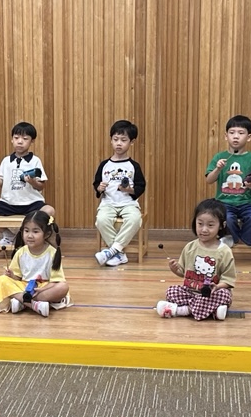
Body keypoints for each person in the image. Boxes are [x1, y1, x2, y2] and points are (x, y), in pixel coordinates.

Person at [157, 199, 236, 320]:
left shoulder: (224, 251)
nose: (204, 229)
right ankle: (212, 311)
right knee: (171, 291)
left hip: (212, 293)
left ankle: (182, 310)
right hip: (190, 291)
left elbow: (228, 280)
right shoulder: (190, 247)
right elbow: (183, 272)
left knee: (224, 295)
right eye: (200, 224)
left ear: (222, 225)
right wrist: (174, 269)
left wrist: (217, 286)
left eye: (210, 225)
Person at [0, 121, 52, 252]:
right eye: (16, 138)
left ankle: (32, 237)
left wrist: (32, 182)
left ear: (32, 141)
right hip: (8, 203)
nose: (20, 142)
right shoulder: (6, 161)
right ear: (12, 140)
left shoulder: (35, 161)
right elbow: (3, 185)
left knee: (49, 211)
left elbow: (41, 186)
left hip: (31, 202)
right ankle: (8, 235)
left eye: (25, 139)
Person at [204, 115, 251, 248]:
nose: (236, 136)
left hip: (248, 203)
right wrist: (218, 169)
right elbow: (209, 180)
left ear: (248, 137)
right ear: (226, 136)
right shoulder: (219, 157)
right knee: (226, 219)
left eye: (241, 133)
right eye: (232, 133)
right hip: (224, 203)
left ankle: (241, 239)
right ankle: (243, 239)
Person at [0, 210, 70, 316]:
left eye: (35, 232)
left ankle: (21, 301)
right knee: (2, 280)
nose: (30, 235)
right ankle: (34, 304)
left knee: (63, 287)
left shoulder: (52, 253)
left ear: (46, 234)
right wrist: (11, 275)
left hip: (43, 288)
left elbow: (56, 281)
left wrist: (41, 290)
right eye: (26, 231)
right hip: (24, 286)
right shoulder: (21, 252)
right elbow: (18, 277)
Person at [93, 119, 146, 266]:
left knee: (135, 219)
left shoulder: (134, 166)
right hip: (108, 203)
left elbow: (141, 186)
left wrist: (129, 190)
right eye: (115, 139)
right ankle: (119, 253)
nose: (119, 143)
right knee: (101, 220)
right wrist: (99, 188)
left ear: (131, 142)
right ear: (111, 140)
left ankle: (112, 250)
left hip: (128, 203)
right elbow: (96, 184)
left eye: (123, 140)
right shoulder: (104, 165)